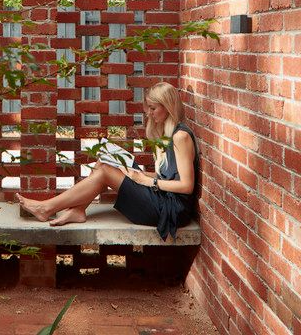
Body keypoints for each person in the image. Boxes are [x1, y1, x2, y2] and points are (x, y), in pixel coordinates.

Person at [16, 82, 199, 240]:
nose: (149, 114)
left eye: (153, 108)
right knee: (106, 158)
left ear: (167, 107)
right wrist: (141, 174)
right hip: (161, 195)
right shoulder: (168, 133)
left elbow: (186, 186)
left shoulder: (180, 137)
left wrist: (148, 181)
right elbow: (168, 175)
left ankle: (47, 208)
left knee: (104, 170)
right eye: (148, 108)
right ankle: (78, 210)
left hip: (171, 210)